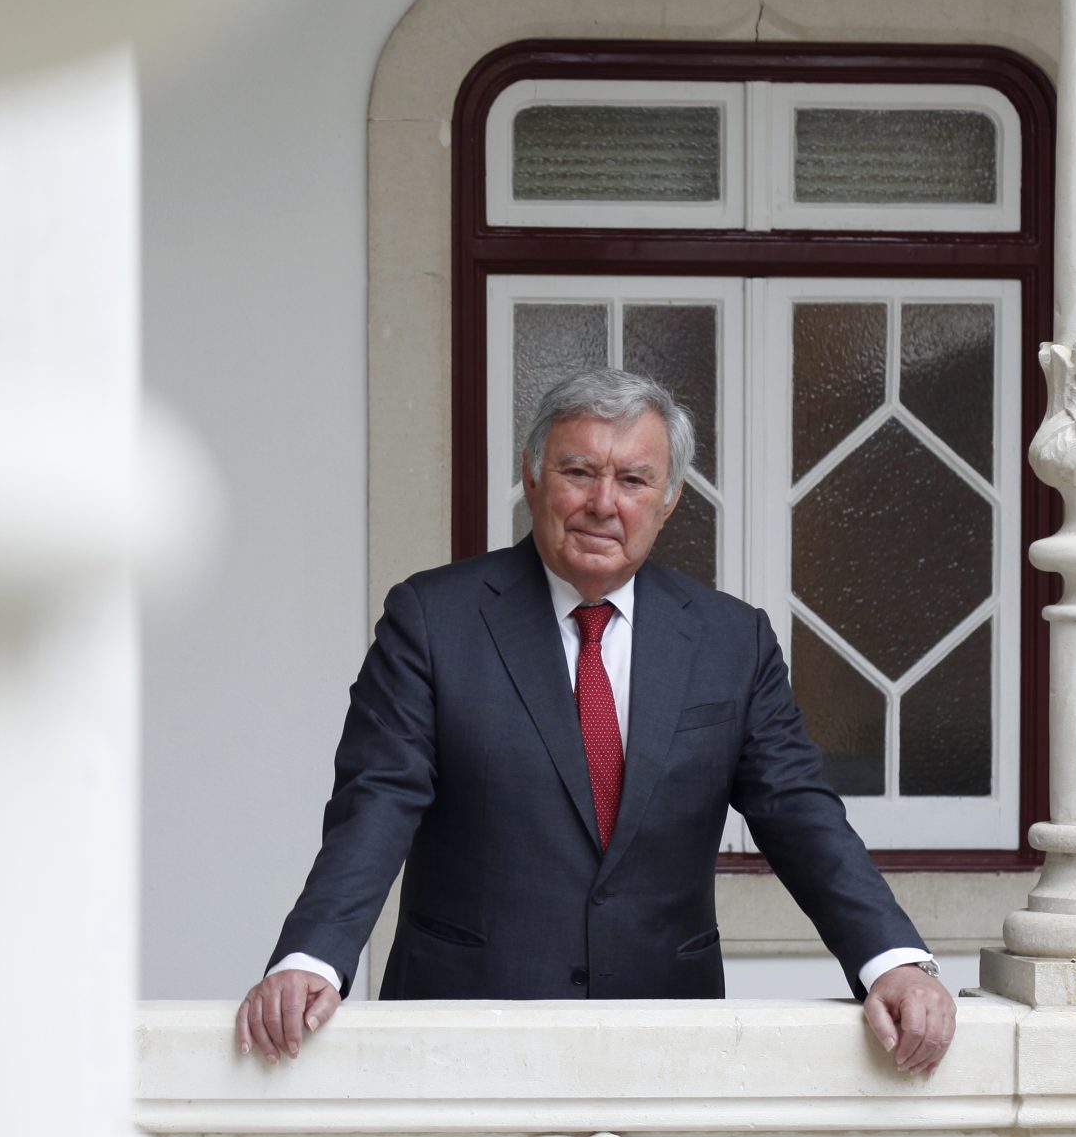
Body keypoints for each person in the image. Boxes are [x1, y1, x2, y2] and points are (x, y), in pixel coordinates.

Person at [236, 368, 957, 1074]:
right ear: (533, 477)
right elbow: (378, 800)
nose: (603, 503)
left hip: (667, 1033)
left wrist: (890, 959)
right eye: (579, 471)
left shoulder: (730, 641)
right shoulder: (432, 620)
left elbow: (799, 814)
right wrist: (313, 957)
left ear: (670, 499)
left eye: (634, 480)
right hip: (465, 1028)